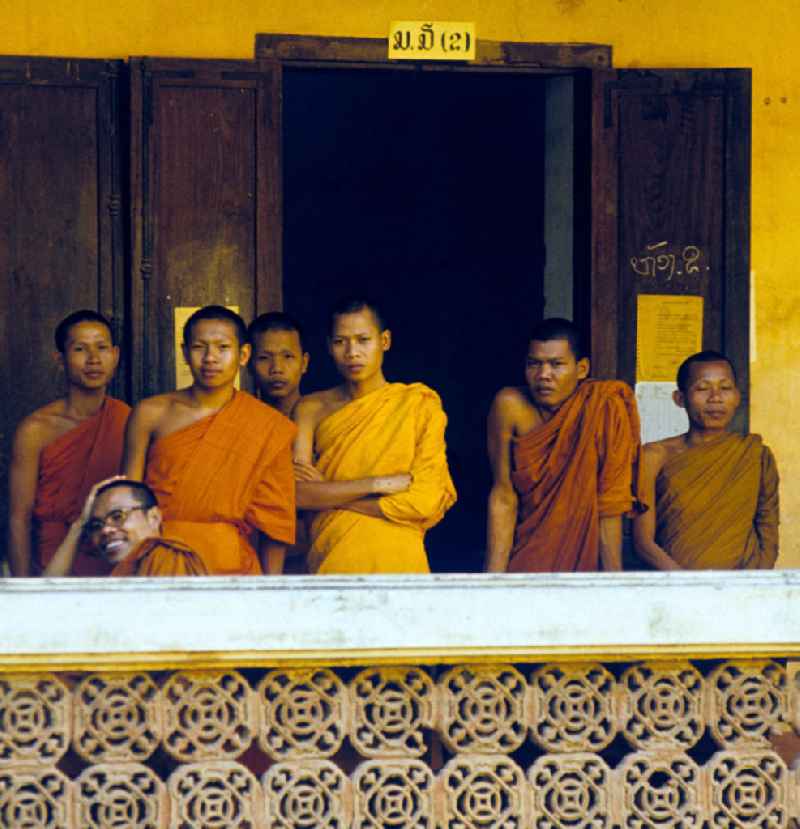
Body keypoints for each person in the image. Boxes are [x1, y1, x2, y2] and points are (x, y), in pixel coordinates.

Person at [122, 305, 296, 575]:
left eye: (222, 347)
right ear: (184, 353)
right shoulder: (151, 413)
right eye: (199, 347)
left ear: (243, 354)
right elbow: (126, 501)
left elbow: (275, 521)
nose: (210, 358)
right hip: (160, 558)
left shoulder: (267, 425)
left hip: (231, 565)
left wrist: (269, 592)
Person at [293, 298, 456, 573]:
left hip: (400, 559)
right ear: (328, 347)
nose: (352, 352)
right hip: (333, 556)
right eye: (340, 342)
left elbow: (425, 501)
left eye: (363, 340)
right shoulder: (311, 408)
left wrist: (331, 493)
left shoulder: (418, 403)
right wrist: (378, 483)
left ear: (385, 341)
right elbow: (298, 495)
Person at [486, 317, 642, 573]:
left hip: (585, 560)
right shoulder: (510, 405)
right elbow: (503, 495)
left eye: (556, 365)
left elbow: (610, 504)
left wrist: (615, 581)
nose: (543, 375)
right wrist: (492, 581)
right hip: (528, 555)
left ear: (581, 369)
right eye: (534, 364)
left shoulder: (603, 406)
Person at [7, 310, 130, 576]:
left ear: (115, 355)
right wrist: (24, 591)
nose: (94, 359)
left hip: (112, 558)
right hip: (53, 562)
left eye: (102, 348)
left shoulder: (128, 421)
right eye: (80, 349)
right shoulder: (36, 430)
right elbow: (19, 518)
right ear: (60, 359)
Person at [633, 351, 779, 570]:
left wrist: (751, 585)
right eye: (702, 388)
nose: (716, 398)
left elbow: (768, 531)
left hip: (741, 591)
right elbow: (643, 543)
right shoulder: (655, 456)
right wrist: (688, 585)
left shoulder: (755, 455)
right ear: (680, 399)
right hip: (676, 589)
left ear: (737, 396)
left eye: (725, 388)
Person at [43, 477, 208, 577]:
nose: (105, 530)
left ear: (153, 517)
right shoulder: (128, 569)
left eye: (117, 516)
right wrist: (79, 525)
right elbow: (46, 599)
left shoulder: (166, 557)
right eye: (96, 525)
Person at [248, 311, 309, 418]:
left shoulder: (322, 423)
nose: (277, 368)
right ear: (249, 364)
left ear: (304, 363)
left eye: (287, 356)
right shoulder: (240, 423)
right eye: (264, 358)